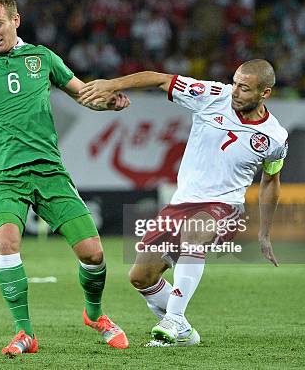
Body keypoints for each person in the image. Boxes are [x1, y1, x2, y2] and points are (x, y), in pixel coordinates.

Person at [0, 0, 130, 357]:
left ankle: (96, 315)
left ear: (15, 20)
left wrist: (108, 104)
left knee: (94, 254)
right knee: (6, 244)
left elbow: (82, 93)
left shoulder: (43, 58)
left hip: (49, 171)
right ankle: (25, 333)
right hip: (3, 176)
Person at [79, 59, 288, 346]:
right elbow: (160, 79)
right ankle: (186, 333)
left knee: (195, 229)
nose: (235, 91)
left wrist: (264, 233)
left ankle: (175, 318)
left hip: (224, 207)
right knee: (141, 277)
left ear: (265, 93)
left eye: (245, 88)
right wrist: (112, 84)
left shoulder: (275, 137)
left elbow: (270, 182)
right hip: (181, 203)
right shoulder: (212, 95)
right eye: (235, 82)